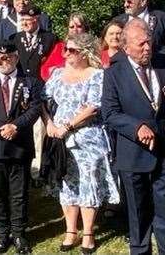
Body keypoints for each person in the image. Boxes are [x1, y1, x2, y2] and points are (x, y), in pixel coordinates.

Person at [101, 19, 165, 255]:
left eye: (149, 42)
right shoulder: (114, 74)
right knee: (138, 211)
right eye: (141, 44)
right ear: (126, 47)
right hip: (133, 154)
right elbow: (110, 113)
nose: (147, 48)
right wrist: (137, 127)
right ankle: (140, 251)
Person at [42, 32, 120, 254]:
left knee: (88, 183)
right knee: (66, 183)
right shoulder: (57, 73)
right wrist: (49, 124)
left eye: (71, 50)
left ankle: (88, 232)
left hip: (87, 138)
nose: (66, 53)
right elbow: (43, 101)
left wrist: (68, 126)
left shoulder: (97, 76)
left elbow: (93, 107)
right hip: (60, 140)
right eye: (65, 49)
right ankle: (70, 230)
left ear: (85, 53)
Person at [0, 40, 43, 255]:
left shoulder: (29, 82)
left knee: (19, 193)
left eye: (5, 58)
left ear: (15, 58)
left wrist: (15, 126)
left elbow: (34, 109)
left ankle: (19, 233)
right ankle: (3, 233)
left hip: (19, 145)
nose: (0, 62)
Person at [116, 0, 165, 65]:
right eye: (124, 1)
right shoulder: (118, 21)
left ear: (143, 1)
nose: (125, 5)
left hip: (158, 69)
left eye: (129, 2)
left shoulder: (163, 19)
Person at [10, 5, 57, 80]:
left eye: (28, 20)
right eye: (22, 20)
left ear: (36, 19)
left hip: (42, 82)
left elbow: (55, 62)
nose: (24, 23)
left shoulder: (50, 38)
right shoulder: (15, 38)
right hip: (21, 82)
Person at [39, 12, 90, 81]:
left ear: (85, 28)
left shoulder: (92, 48)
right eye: (72, 27)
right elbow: (44, 70)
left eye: (79, 26)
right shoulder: (60, 47)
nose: (75, 30)